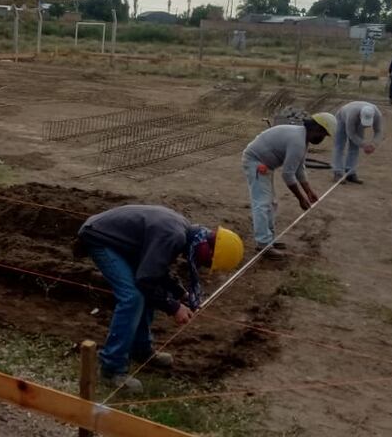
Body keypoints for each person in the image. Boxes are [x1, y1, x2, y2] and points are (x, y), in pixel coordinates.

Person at [76, 205, 243, 393]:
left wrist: (181, 293)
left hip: (118, 240)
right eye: (207, 262)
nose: (202, 265)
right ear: (208, 251)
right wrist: (174, 307)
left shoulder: (183, 232)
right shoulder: (174, 236)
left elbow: (156, 270)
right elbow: (146, 281)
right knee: (133, 297)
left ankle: (141, 350)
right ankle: (111, 368)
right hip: (100, 237)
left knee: (147, 290)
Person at [241, 113, 336, 258]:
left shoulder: (302, 139)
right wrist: (300, 199)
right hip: (255, 161)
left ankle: (269, 240)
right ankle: (263, 245)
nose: (323, 138)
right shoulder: (298, 140)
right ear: (317, 128)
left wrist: (309, 191)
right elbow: (287, 174)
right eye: (323, 134)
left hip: (265, 163)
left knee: (271, 203)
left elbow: (299, 169)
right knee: (262, 203)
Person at [332, 101, 384, 184]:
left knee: (355, 147)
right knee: (339, 145)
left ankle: (350, 173)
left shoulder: (377, 115)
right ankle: (338, 172)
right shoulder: (352, 114)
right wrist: (364, 145)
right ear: (360, 115)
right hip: (342, 117)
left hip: (357, 121)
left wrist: (373, 144)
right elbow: (351, 133)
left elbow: (379, 131)